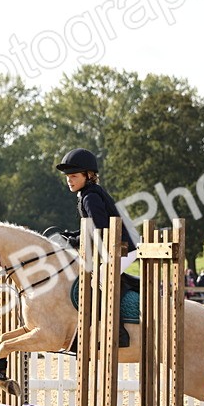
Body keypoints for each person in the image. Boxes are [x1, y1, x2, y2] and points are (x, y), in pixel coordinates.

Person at [56, 147, 139, 346]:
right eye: (68, 176)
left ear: (88, 175)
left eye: (74, 176)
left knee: (101, 279)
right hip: (118, 245)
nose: (69, 180)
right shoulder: (87, 194)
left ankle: (120, 333)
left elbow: (100, 229)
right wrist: (72, 236)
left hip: (124, 247)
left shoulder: (90, 197)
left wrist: (76, 240)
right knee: (101, 276)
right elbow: (91, 227)